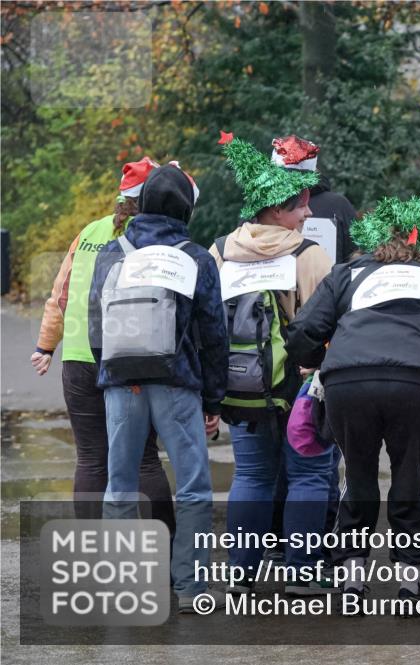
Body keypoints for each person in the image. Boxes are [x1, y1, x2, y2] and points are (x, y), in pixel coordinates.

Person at [287, 195, 420, 609]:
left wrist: (320, 361)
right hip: (418, 385)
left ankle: (352, 584)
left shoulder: (346, 275)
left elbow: (304, 330)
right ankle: (409, 588)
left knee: (357, 478)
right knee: (409, 477)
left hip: (350, 383)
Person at [88, 163, 229, 613]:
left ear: (143, 203)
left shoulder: (113, 251)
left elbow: (97, 325)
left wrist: (110, 372)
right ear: (187, 208)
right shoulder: (196, 257)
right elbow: (213, 334)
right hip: (177, 384)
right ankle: (189, 589)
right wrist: (213, 398)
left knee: (121, 485)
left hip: (121, 383)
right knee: (191, 487)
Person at [212, 132, 336, 596]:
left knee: (251, 476)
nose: (308, 212)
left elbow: (209, 322)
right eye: (300, 205)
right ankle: (303, 574)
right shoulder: (308, 254)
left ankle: (240, 575)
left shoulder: (221, 250)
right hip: (302, 387)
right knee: (307, 475)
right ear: (276, 209)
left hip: (241, 386)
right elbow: (333, 323)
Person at [31, 157, 175, 529]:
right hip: (132, 357)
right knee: (143, 459)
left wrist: (46, 346)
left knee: (91, 459)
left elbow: (60, 295)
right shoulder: (156, 237)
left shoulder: (89, 232)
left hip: (79, 356)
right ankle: (163, 546)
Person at [267, 134, 353, 563]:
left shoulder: (256, 218)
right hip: (325, 344)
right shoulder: (340, 207)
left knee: (274, 458)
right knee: (319, 446)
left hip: (266, 351)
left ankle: (278, 542)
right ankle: (320, 543)